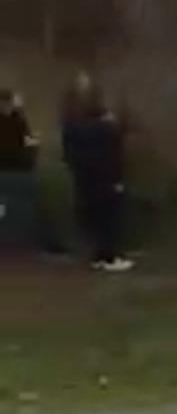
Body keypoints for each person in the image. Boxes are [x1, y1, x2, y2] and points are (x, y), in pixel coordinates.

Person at [60, 77, 133, 273]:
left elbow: (68, 155)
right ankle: (109, 257)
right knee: (110, 219)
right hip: (106, 180)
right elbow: (114, 156)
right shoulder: (106, 130)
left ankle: (98, 257)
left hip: (84, 180)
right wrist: (117, 180)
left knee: (93, 217)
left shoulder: (71, 127)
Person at [0, 89, 62, 256]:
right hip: (18, 169)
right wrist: (33, 143)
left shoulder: (17, 119)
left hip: (12, 169)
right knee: (24, 206)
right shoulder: (17, 120)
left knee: (9, 207)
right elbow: (24, 140)